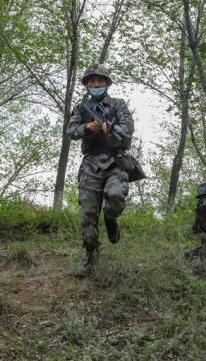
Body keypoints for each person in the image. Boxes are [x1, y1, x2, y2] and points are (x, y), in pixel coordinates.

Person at [67, 64, 144, 277]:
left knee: (116, 196)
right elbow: (70, 131)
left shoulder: (118, 105)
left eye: (99, 81)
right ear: (86, 85)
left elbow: (128, 131)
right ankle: (91, 260)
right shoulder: (81, 107)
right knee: (88, 214)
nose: (95, 85)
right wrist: (86, 128)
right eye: (91, 82)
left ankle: (111, 218)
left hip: (115, 161)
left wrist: (110, 130)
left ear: (107, 84)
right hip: (91, 164)